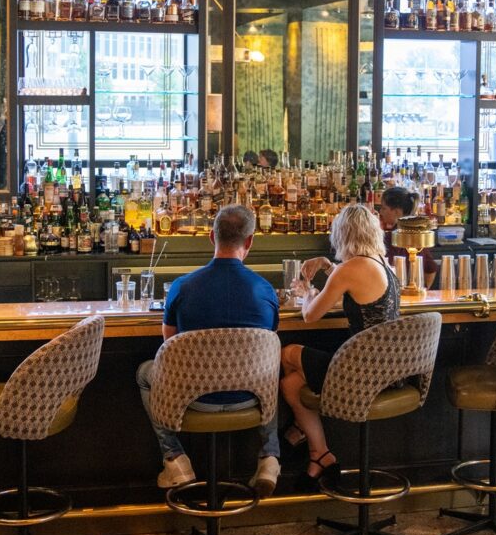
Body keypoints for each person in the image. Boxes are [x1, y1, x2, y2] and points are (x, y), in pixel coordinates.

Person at [136, 205, 282, 495]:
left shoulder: (182, 287)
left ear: (212, 237)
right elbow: (269, 350)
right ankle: (270, 457)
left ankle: (175, 460)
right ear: (250, 241)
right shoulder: (265, 290)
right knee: (270, 369)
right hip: (249, 400)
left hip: (192, 401)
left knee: (145, 372)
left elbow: (168, 347)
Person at [279, 205, 401, 490]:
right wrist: (326, 265)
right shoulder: (381, 263)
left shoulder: (350, 269)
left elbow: (310, 316)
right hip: (390, 370)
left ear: (342, 235)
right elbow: (355, 283)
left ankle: (300, 427)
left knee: (287, 353)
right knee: (291, 384)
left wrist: (306, 292)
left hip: (364, 374)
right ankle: (320, 456)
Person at [378, 186, 438, 288]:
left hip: (394, 294)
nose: (381, 212)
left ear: (397, 212)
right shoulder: (418, 235)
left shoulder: (388, 239)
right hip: (415, 294)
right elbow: (431, 269)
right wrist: (423, 289)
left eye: (384, 208)